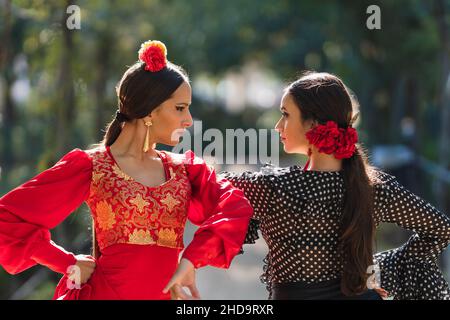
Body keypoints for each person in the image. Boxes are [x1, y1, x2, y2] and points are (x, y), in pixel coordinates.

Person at [0, 40, 253, 300]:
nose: (188, 120)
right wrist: (65, 261)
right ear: (150, 111)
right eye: (180, 108)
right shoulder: (92, 166)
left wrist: (191, 260)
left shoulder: (186, 170)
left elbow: (233, 208)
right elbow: (6, 218)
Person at [220, 71, 450, 300]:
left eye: (285, 114)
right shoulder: (373, 188)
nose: (278, 126)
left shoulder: (273, 189)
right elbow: (442, 228)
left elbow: (203, 183)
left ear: (313, 123)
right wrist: (379, 270)